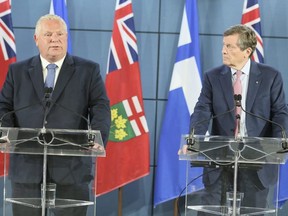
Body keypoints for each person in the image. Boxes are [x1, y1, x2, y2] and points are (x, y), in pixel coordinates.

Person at [0, 14, 111, 216]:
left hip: (72, 170)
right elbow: (4, 107)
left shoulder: (87, 70)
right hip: (27, 171)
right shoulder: (17, 71)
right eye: (48, 34)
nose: (55, 39)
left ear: (66, 38)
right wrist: (5, 133)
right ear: (36, 39)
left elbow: (100, 106)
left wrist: (99, 136)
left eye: (60, 34)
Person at [188, 24, 288, 215]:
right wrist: (194, 139)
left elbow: (280, 113)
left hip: (257, 163)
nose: (223, 50)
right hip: (219, 163)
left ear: (247, 51)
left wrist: (278, 143)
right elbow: (202, 110)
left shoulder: (270, 76)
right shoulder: (213, 76)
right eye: (223, 45)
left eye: (230, 46)